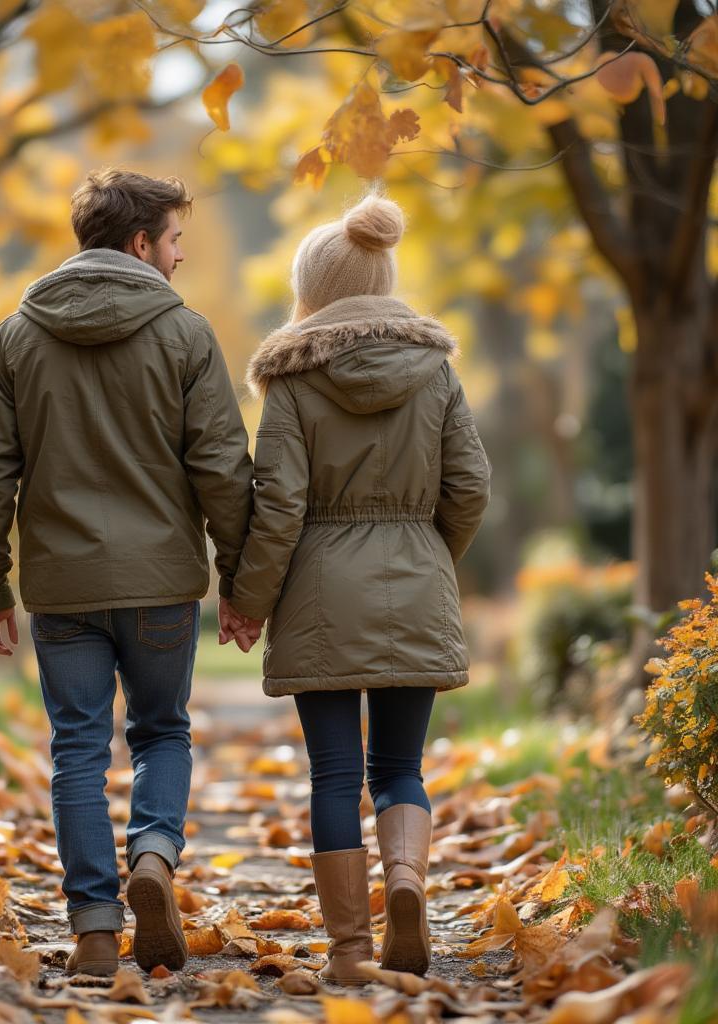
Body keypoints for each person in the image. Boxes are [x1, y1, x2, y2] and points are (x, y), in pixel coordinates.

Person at [0, 168, 254, 977]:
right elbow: (224, 470)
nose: (182, 255)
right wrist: (242, 582)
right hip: (161, 584)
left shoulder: (17, 335)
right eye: (175, 239)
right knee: (161, 731)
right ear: (139, 243)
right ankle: (154, 853)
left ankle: (93, 924)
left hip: (62, 591)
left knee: (77, 751)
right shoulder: (187, 335)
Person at [225, 192, 491, 982]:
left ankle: (348, 950)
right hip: (417, 575)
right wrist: (433, 555)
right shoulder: (436, 372)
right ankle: (406, 883)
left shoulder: (295, 383)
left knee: (335, 773)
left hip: (319, 594)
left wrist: (249, 599)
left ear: (313, 290)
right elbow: (470, 486)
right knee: (401, 768)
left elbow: (277, 507)